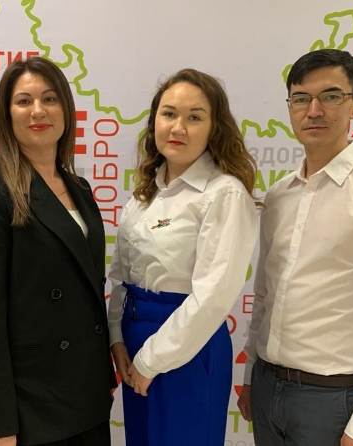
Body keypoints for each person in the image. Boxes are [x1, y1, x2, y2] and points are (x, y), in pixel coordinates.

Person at [237, 49, 353, 446]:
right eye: (301, 99)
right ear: (290, 107)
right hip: (268, 387)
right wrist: (250, 375)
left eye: (331, 96)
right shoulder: (278, 195)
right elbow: (265, 296)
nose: (314, 110)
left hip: (333, 400)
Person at [0, 56, 116, 446]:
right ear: (6, 115)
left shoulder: (80, 188)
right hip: (31, 405)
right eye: (24, 101)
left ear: (66, 110)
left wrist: (103, 374)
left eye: (49, 98)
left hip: (88, 392)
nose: (38, 111)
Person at [107, 68, 259, 446]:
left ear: (214, 128)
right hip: (135, 339)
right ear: (154, 121)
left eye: (194, 117)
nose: (178, 127)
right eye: (169, 114)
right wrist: (117, 338)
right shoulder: (144, 195)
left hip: (188, 347)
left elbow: (213, 298)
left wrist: (151, 360)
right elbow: (122, 278)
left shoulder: (223, 194)